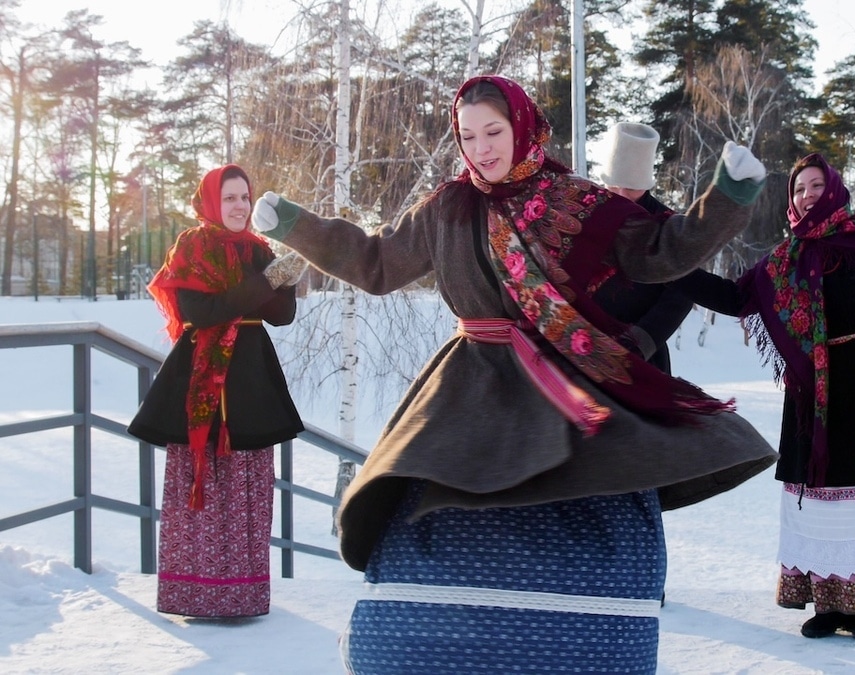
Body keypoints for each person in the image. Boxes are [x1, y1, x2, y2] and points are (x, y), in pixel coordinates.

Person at [250, 75, 778, 673]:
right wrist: (297, 226)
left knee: (587, 495)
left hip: (568, 378)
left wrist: (728, 194)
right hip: (469, 387)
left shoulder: (576, 200)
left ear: (522, 128)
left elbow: (661, 253)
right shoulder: (445, 210)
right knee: (433, 494)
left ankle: (585, 645)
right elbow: (375, 264)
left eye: (494, 132)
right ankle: (424, 642)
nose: (481, 148)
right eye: (468, 135)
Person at [674, 153, 855, 641]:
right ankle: (831, 602)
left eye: (816, 185)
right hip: (818, 397)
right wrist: (675, 267)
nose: (807, 194)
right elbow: (733, 298)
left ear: (834, 189)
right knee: (825, 502)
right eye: (798, 188)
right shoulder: (782, 262)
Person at [128, 164, 307, 619]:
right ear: (211, 202)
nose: (240, 206)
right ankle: (194, 595)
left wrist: (287, 280)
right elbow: (203, 313)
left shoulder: (257, 249)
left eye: (245, 197)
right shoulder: (192, 247)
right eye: (230, 198)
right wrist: (265, 282)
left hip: (250, 386)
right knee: (201, 485)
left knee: (248, 486)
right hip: (201, 386)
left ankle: (243, 597)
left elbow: (280, 316)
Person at [591, 121, 694, 374]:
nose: (622, 195)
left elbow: (681, 296)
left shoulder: (668, 225)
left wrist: (639, 341)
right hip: (582, 345)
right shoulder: (586, 213)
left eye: (631, 187)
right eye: (614, 185)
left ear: (646, 183)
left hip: (642, 357)